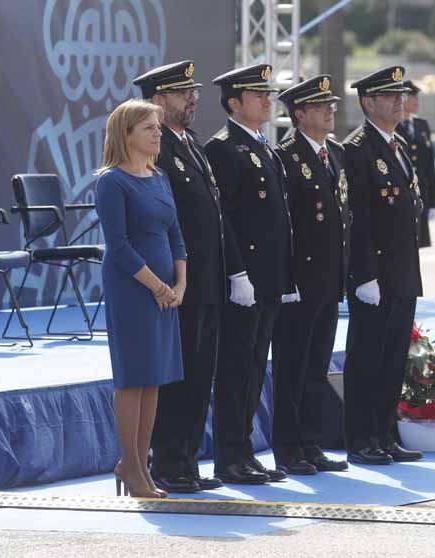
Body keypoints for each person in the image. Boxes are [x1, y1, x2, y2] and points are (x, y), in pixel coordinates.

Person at [133, 60, 225, 493]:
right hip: (174, 279)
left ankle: (187, 458)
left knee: (201, 373)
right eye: (181, 92)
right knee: (178, 376)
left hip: (204, 277)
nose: (192, 99)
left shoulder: (191, 143)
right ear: (157, 100)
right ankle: (168, 461)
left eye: (194, 92)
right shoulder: (157, 150)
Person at [205, 63, 293, 485]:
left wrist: (285, 277)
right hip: (244, 281)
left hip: (269, 279)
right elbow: (224, 221)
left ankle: (245, 451)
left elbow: (279, 222)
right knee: (236, 369)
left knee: (256, 366)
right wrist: (237, 273)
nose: (267, 99)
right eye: (258, 95)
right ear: (234, 103)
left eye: (268, 93)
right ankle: (229, 456)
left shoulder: (262, 146)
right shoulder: (224, 148)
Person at [95, 99, 187, 498]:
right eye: (148, 128)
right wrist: (156, 285)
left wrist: (179, 285)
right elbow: (118, 246)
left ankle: (139, 464)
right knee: (133, 378)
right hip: (133, 290)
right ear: (126, 134)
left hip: (166, 293)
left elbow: (176, 236)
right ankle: (130, 464)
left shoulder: (159, 176)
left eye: (159, 127)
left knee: (154, 379)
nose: (158, 134)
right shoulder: (111, 181)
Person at [342, 66, 423, 465]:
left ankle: (385, 432)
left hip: (402, 271)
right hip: (375, 273)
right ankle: (361, 438)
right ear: (368, 102)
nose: (399, 101)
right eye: (389, 95)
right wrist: (363, 274)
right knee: (367, 357)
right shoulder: (356, 149)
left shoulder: (397, 144)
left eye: (401, 94)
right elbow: (357, 218)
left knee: (393, 359)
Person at [271, 75, 350, 475]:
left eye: (331, 105)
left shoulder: (331, 153)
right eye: (321, 106)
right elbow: (284, 224)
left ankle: (311, 442)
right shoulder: (285, 157)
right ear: (299, 114)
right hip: (300, 282)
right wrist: (288, 280)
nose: (329, 111)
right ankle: (288, 448)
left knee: (317, 365)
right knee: (292, 366)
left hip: (327, 279)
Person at [396, 80, 435, 248]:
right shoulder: (392, 127)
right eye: (412, 96)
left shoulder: (422, 125)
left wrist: (434, 201)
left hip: (421, 195)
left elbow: (429, 166)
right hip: (402, 196)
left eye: (417, 96)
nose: (416, 101)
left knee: (417, 247)